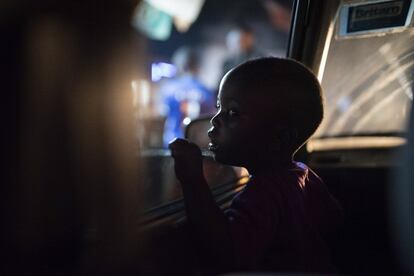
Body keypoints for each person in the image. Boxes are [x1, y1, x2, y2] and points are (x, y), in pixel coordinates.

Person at [169, 57, 342, 273]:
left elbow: (227, 253)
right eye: (219, 107)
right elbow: (333, 219)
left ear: (280, 137)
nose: (214, 120)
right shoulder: (303, 174)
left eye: (233, 113)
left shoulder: (264, 191)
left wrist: (192, 178)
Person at [159, 46, 215, 147]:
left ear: (180, 65)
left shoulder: (168, 89)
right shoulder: (206, 91)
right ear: (197, 65)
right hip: (197, 146)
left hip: (172, 142)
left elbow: (162, 114)